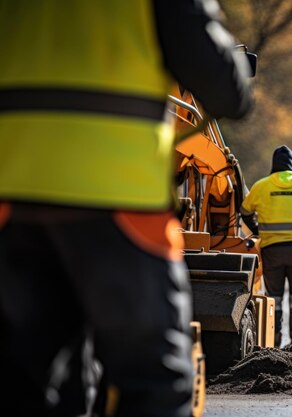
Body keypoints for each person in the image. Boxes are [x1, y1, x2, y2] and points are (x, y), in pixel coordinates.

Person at [0, 1, 252, 416]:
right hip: (119, 205)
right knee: (152, 382)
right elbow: (227, 90)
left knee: (28, 378)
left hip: (13, 203)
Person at [240, 145, 292, 346]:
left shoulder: (261, 186)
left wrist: (258, 230)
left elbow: (245, 211)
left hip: (272, 249)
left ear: (274, 165)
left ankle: (273, 340)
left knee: (273, 298)